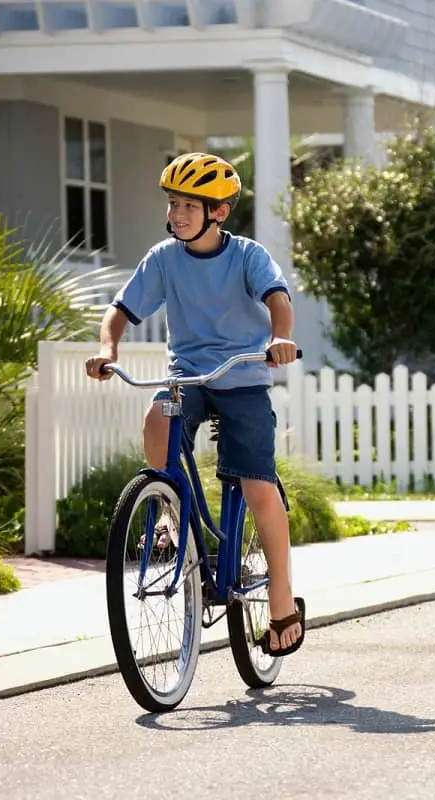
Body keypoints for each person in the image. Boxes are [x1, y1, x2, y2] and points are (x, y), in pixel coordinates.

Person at [84, 152, 305, 658]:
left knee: (256, 483)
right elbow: (119, 311)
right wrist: (107, 349)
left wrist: (282, 338)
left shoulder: (247, 255)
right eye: (173, 203)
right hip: (189, 377)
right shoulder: (163, 259)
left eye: (190, 205)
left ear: (219, 212)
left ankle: (280, 598)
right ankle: (165, 507)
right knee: (158, 414)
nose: (178, 213)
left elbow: (277, 299)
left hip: (243, 376)